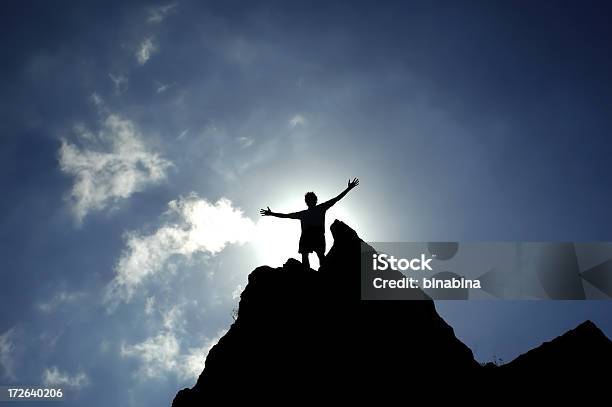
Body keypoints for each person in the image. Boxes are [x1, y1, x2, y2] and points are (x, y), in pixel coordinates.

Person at [260, 178, 359, 269]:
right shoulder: (304, 213)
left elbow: (336, 199)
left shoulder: (320, 208)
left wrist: (349, 188)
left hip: (317, 234)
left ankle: (323, 273)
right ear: (307, 202)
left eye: (312, 199)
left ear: (315, 200)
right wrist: (271, 213)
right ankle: (307, 272)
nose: (310, 201)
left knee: (319, 255)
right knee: (305, 254)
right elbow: (286, 215)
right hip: (307, 235)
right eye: (309, 200)